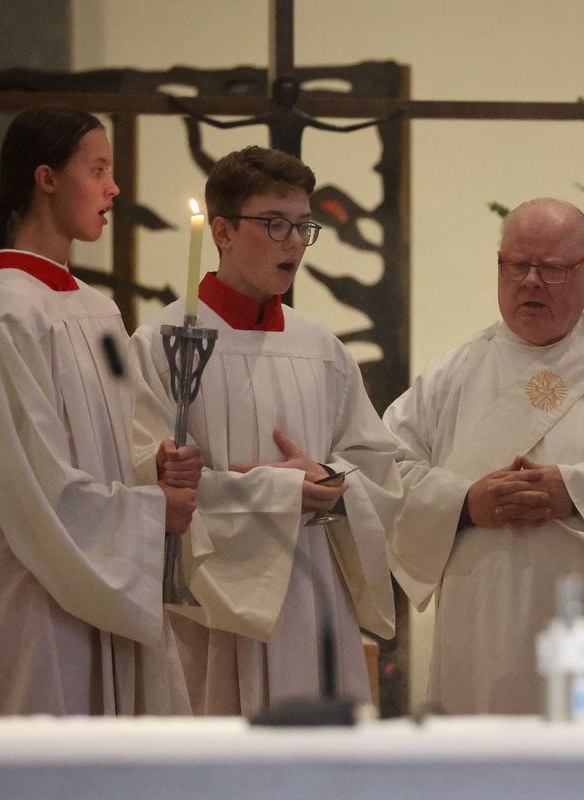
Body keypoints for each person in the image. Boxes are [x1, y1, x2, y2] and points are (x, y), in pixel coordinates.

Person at [383, 197, 584, 715]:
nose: (530, 281)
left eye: (551, 268)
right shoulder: (454, 374)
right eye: (516, 265)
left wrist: (572, 493)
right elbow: (385, 472)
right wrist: (464, 503)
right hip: (480, 624)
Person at [129, 146, 402, 715]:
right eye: (275, 224)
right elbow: (141, 485)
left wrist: (331, 479)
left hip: (311, 599)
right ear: (223, 231)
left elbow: (377, 471)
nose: (295, 242)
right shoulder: (159, 344)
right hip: (206, 610)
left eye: (304, 226)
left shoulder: (322, 350)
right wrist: (276, 491)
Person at [0, 106, 198, 714]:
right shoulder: (7, 314)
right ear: (46, 179)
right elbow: (32, 483)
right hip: (38, 603)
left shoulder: (100, 311)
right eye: (97, 169)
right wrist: (150, 512)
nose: (114, 187)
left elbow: (129, 432)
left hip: (105, 584)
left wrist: (157, 464)